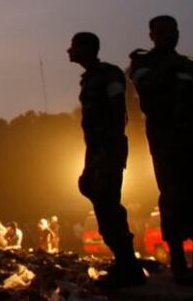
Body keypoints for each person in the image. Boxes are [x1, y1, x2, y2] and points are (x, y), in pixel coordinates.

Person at [128, 15, 193, 281]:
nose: (167, 35)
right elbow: (148, 90)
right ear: (151, 35)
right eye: (161, 31)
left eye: (172, 31)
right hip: (167, 144)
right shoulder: (143, 64)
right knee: (172, 199)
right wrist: (173, 65)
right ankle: (177, 262)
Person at [69, 29, 148, 285]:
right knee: (101, 203)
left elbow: (118, 110)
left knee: (109, 206)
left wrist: (109, 151)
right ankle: (125, 264)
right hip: (96, 150)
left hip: (109, 148)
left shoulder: (109, 74)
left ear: (88, 49)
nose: (69, 51)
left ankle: (129, 268)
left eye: (74, 46)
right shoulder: (90, 78)